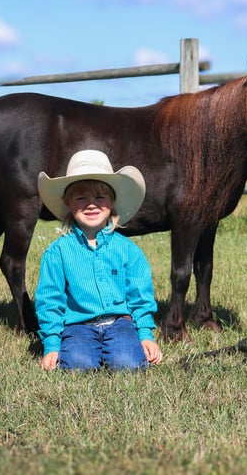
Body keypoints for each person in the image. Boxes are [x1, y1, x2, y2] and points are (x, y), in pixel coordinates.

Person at [34, 149, 163, 371]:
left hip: (120, 323)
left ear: (112, 202)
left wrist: (145, 334)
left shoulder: (128, 250)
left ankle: (120, 350)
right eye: (81, 197)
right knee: (77, 365)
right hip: (77, 325)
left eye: (99, 197)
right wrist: (52, 344)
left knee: (128, 364)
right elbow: (50, 300)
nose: (91, 204)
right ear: (67, 203)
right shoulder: (58, 252)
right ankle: (83, 352)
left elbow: (139, 295)